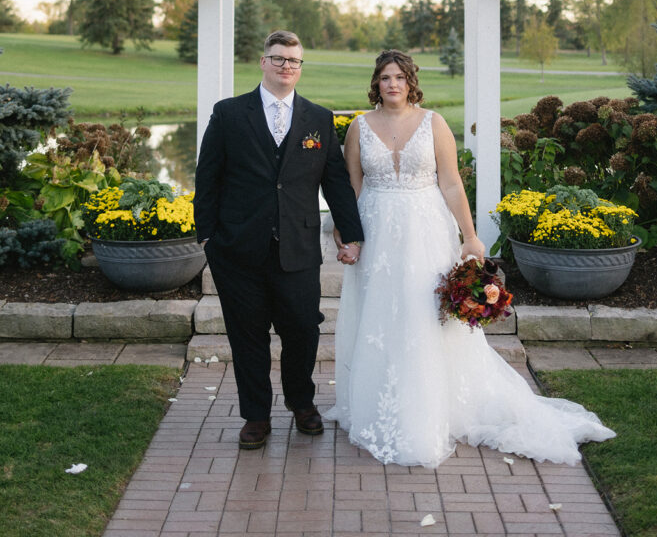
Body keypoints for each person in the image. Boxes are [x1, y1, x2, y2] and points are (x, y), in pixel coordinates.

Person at [326, 50, 615, 468]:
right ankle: (377, 401)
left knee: (424, 313)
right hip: (377, 234)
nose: (392, 84)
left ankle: (428, 406)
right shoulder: (358, 127)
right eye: (385, 77)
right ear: (376, 82)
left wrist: (472, 237)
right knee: (380, 316)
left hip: (425, 231)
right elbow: (350, 186)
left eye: (400, 77)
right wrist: (346, 234)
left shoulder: (434, 123)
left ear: (411, 82)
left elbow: (452, 184)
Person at [194, 29, 364, 451]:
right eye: (278, 59)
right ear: (263, 62)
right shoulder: (229, 114)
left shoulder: (319, 119)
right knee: (247, 335)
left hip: (299, 248)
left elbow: (337, 185)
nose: (286, 67)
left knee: (303, 330)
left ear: (300, 67)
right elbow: (207, 176)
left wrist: (353, 235)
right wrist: (207, 238)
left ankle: (302, 404)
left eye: (293, 61)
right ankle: (256, 415)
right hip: (237, 249)